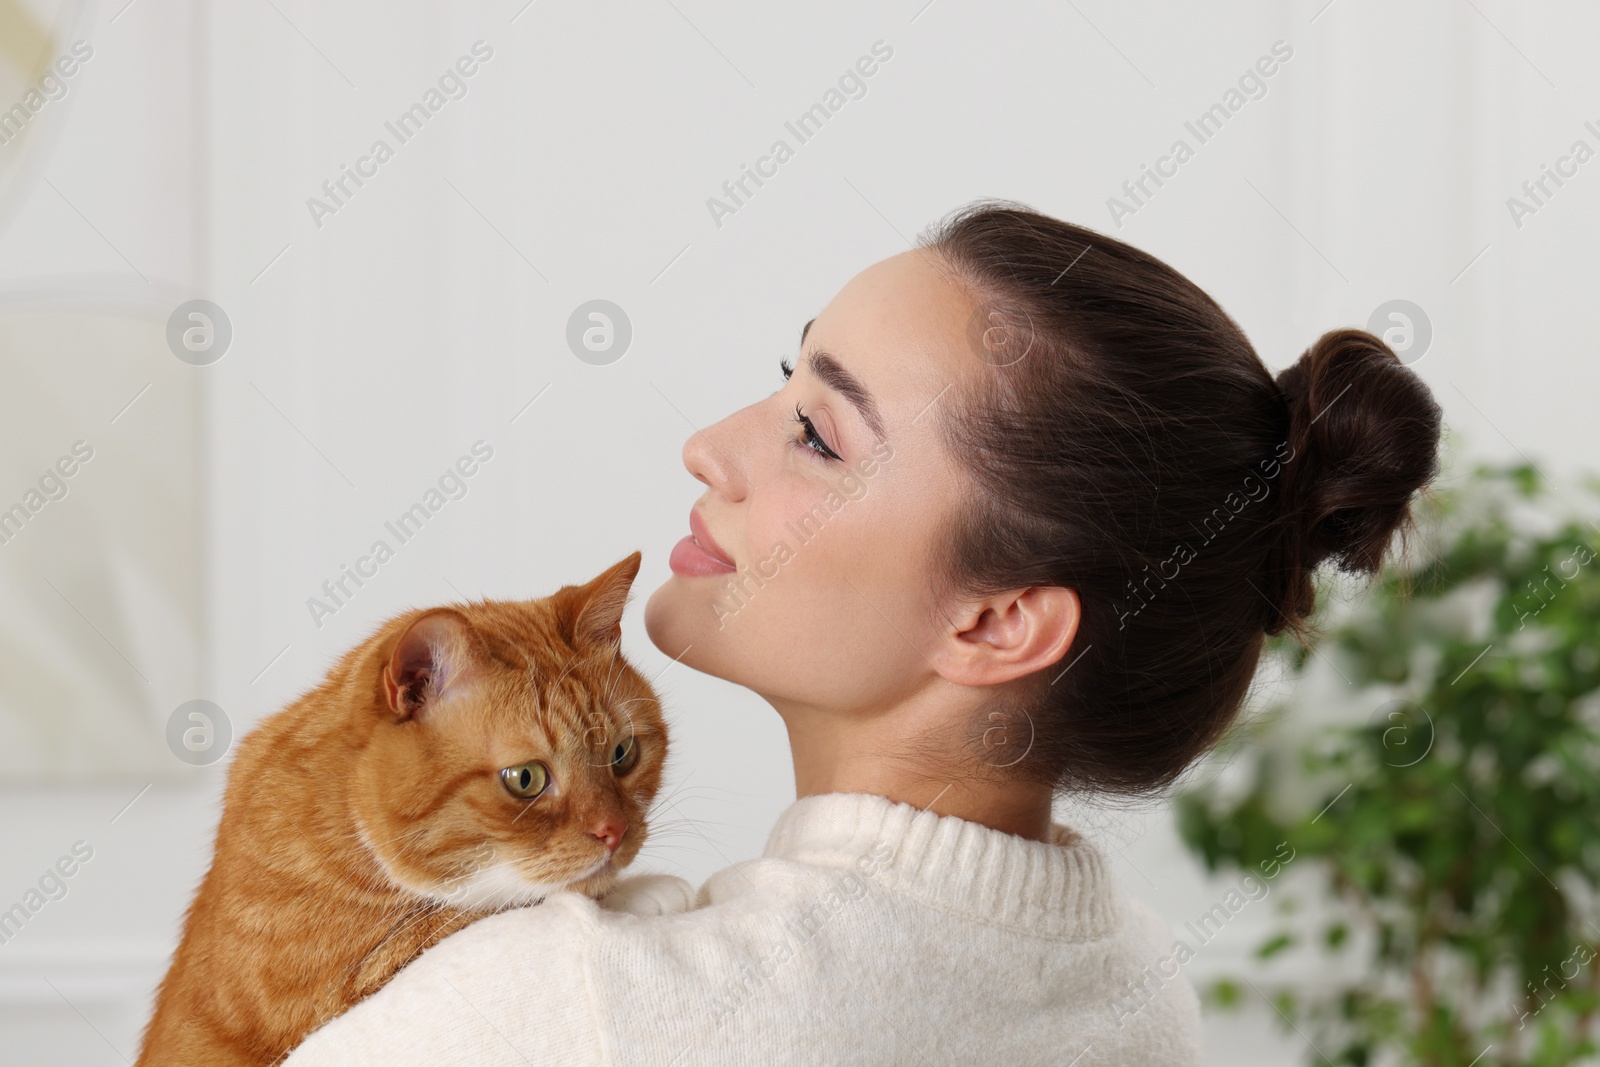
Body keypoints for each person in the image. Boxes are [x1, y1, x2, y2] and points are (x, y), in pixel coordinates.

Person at [283, 200, 1443, 1065]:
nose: (710, 446)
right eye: (781, 382)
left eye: (819, 436)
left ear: (994, 622)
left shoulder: (583, 1010)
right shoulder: (1136, 995)